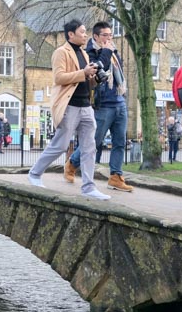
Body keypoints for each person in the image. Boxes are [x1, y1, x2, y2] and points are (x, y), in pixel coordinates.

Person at [28, 20, 111, 200]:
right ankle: (35, 173)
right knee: (61, 145)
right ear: (71, 34)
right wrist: (83, 72)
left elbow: (86, 81)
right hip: (69, 105)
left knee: (90, 147)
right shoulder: (60, 52)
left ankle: (89, 187)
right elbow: (59, 78)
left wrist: (95, 79)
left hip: (86, 106)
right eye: (82, 32)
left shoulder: (84, 53)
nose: (85, 35)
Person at [65, 21, 133, 193]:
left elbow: (119, 77)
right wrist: (106, 52)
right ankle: (72, 163)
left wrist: (110, 52)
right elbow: (98, 71)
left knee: (119, 141)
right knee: (94, 141)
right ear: (96, 36)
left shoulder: (114, 52)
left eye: (110, 35)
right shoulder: (89, 53)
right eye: (105, 35)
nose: (109, 38)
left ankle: (116, 176)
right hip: (102, 105)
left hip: (119, 101)